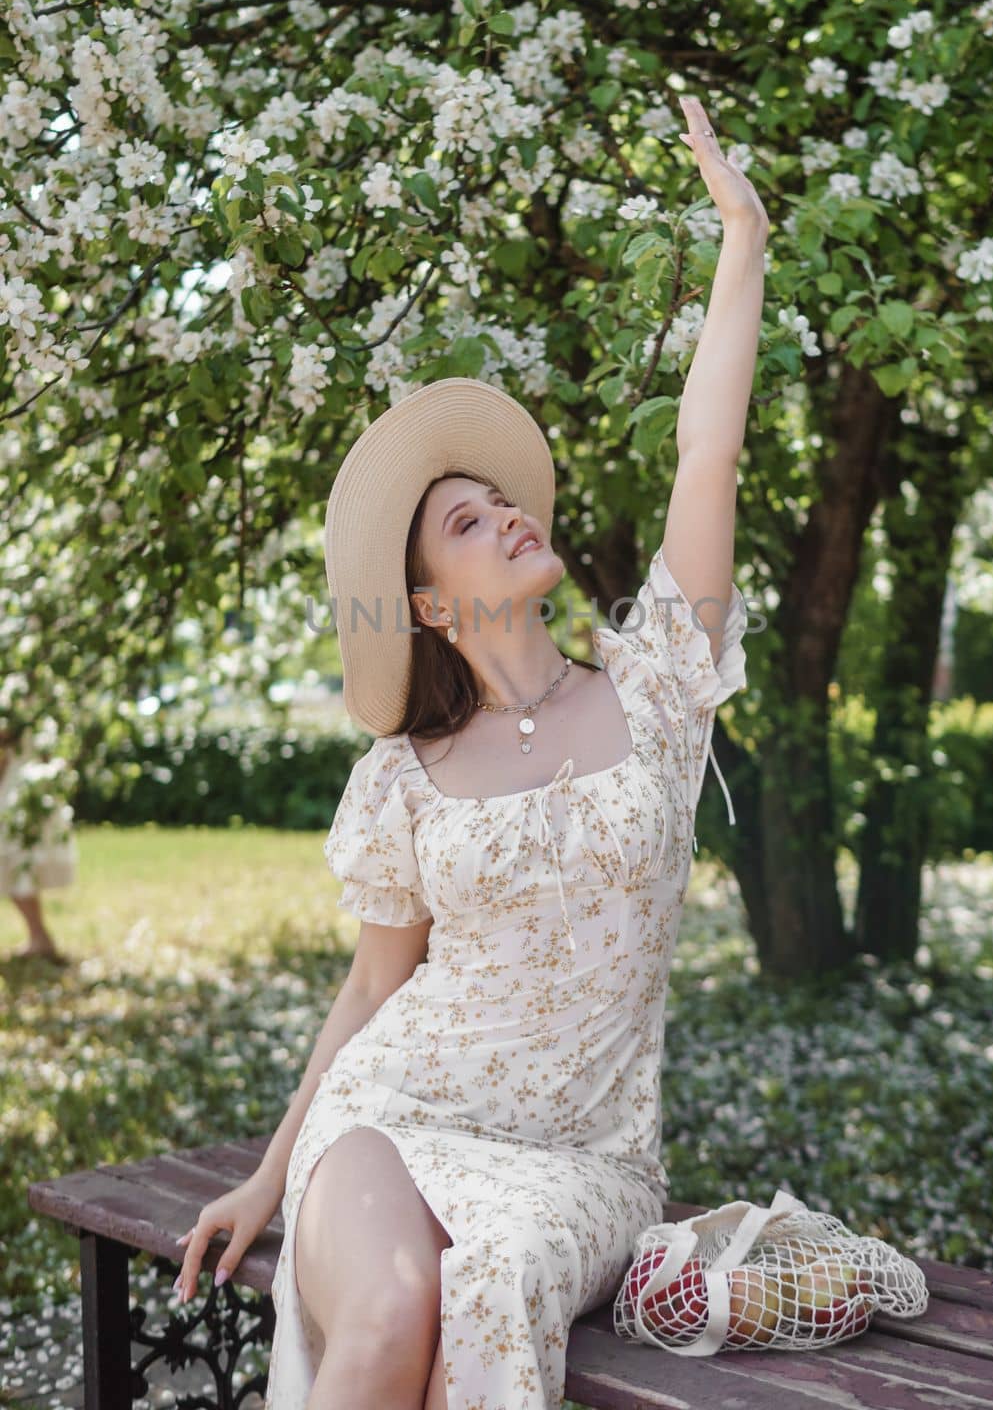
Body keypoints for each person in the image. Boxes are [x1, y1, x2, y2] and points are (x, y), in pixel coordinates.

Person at [172, 94, 769, 1410]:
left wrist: (742, 242)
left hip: (581, 1162)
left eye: (503, 501)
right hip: (392, 1120)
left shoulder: (659, 685)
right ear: (431, 603)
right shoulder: (403, 777)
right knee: (390, 1309)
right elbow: (371, 989)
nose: (505, 515)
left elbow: (706, 450)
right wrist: (272, 1176)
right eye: (464, 519)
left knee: (485, 1289)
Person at [0, 725, 75, 965]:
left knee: (16, 858)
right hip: (22, 780)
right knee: (16, 860)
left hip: (21, 783)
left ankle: (39, 936)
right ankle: (39, 936)